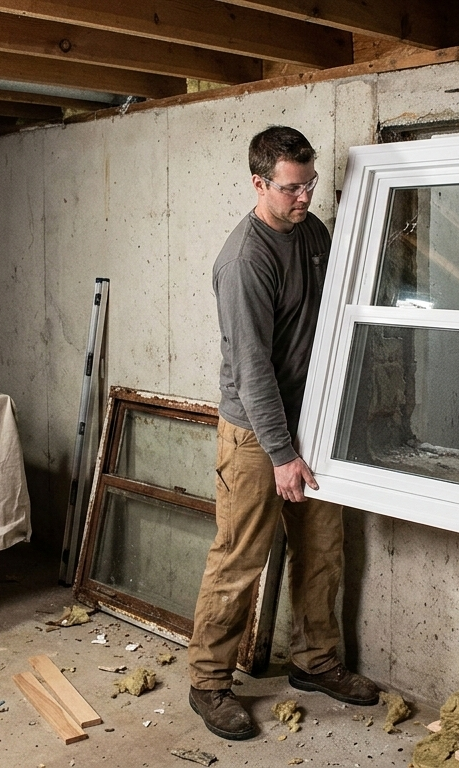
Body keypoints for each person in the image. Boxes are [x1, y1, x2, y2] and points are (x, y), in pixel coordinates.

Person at [187, 126, 380, 741]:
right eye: (292, 188)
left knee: (322, 547)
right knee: (240, 555)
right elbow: (252, 371)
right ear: (259, 183)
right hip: (255, 433)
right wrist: (280, 454)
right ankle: (209, 682)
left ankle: (316, 662)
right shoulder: (245, 259)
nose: (304, 198)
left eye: (310, 184)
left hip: (315, 420)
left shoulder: (313, 233)